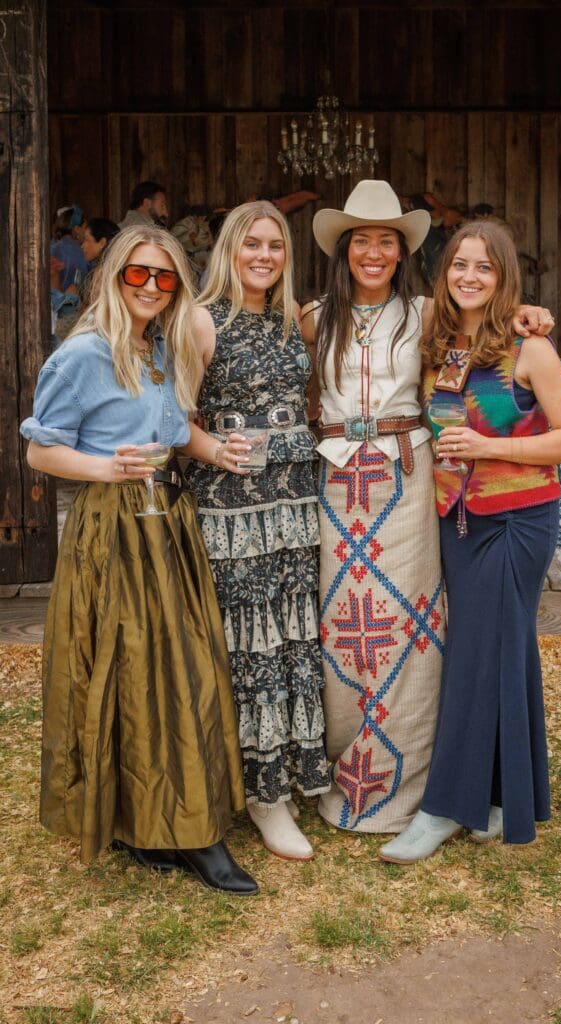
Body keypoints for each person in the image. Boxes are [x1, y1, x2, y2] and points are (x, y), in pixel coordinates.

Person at [301, 180, 555, 836]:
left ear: (402, 250)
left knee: (410, 630)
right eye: (363, 240)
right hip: (334, 485)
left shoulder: (423, 314)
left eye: (387, 240)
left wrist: (530, 315)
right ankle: (346, 770)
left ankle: (414, 781)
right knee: (343, 628)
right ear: (344, 248)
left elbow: (487, 321)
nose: (374, 251)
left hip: (407, 484)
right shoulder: (310, 316)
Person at [20, 225, 258, 895]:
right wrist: (106, 467)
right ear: (113, 276)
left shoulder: (160, 349)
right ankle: (182, 835)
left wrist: (217, 453)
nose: (151, 287)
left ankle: (161, 823)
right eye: (137, 274)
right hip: (112, 529)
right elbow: (40, 451)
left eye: (164, 277)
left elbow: (176, 434)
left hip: (167, 525)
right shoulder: (85, 354)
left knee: (175, 668)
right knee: (130, 671)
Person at [379, 220, 561, 863]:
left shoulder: (530, 348)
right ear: (444, 274)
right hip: (458, 522)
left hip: (516, 521)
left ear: (503, 279)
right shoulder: (442, 342)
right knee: (498, 653)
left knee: (476, 659)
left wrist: (490, 446)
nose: (470, 276)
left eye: (484, 268)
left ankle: (445, 807)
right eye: (459, 265)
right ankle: (505, 798)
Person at [181, 201, 329, 862]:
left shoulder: (294, 318)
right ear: (229, 250)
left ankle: (307, 774)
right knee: (254, 650)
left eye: (275, 245)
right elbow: (172, 417)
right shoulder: (199, 319)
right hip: (233, 513)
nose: (264, 256)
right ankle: (265, 798)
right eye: (252, 244)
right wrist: (212, 451)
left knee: (299, 637)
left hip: (297, 505)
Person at [80, 217, 120, 304]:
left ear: (102, 242)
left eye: (86, 239)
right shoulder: (117, 267)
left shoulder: (101, 273)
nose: (82, 246)